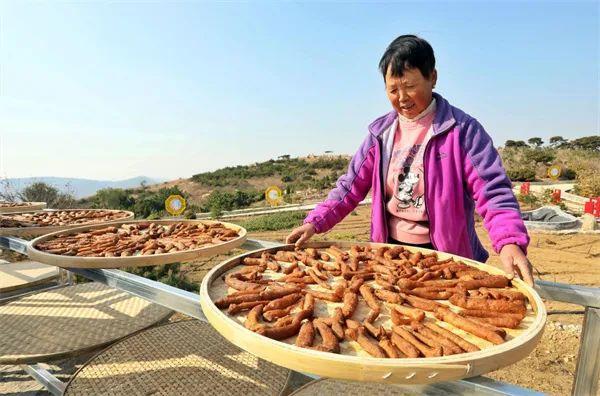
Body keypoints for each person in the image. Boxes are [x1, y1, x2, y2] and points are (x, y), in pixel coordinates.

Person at [286, 34, 534, 285]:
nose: (402, 97)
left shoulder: (463, 131)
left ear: (432, 78)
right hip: (390, 253)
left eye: (410, 86)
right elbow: (349, 187)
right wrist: (315, 223)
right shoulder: (380, 134)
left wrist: (509, 242)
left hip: (447, 257)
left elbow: (492, 190)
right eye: (393, 90)